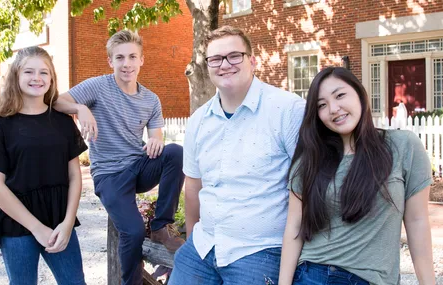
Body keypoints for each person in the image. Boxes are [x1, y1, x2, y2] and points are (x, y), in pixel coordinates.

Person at [169, 26, 305, 285]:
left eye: (234, 56)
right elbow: (193, 186)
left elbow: (308, 186)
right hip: (203, 245)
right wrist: (192, 239)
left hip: (260, 250)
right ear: (208, 67)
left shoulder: (287, 110)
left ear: (252, 61)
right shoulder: (199, 121)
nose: (225, 65)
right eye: (216, 59)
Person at [278, 67, 436, 285]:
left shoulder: (403, 146)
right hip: (313, 275)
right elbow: (294, 226)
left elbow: (417, 221)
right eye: (322, 105)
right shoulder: (310, 160)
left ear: (360, 94)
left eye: (340, 95)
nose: (333, 109)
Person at [53, 30, 185, 285]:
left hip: (138, 166)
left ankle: (160, 228)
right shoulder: (97, 86)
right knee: (133, 231)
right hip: (109, 175)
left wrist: (156, 139)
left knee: (175, 152)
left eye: (132, 57)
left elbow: (156, 137)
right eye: (120, 58)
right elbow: (57, 102)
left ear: (141, 60)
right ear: (110, 61)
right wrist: (80, 107)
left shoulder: (151, 99)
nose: (127, 64)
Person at [0, 46, 88, 284]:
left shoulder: (63, 123)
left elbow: (75, 177)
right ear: (16, 76)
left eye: (44, 72)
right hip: (16, 222)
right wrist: (36, 228)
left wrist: (67, 223)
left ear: (52, 79)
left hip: (59, 221)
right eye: (29, 72)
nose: (37, 78)